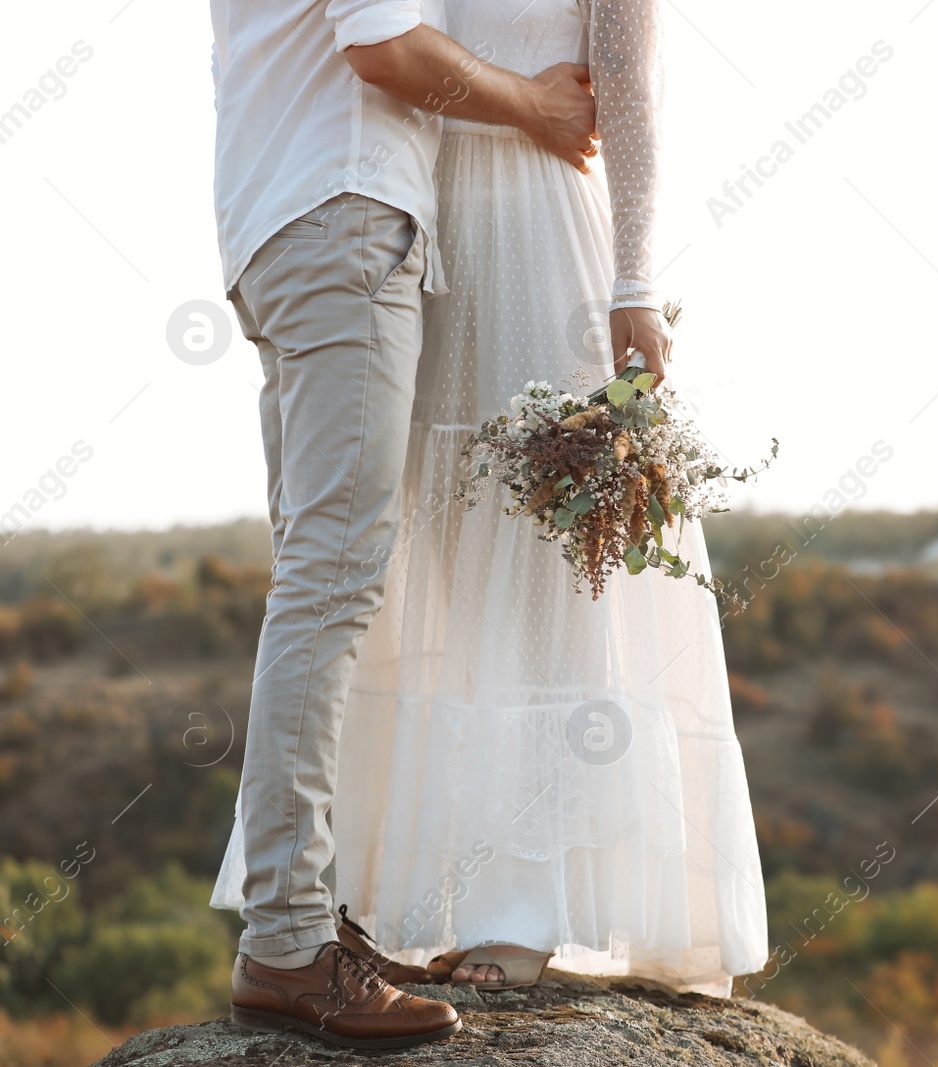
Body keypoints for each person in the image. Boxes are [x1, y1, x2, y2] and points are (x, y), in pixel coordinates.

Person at [213, 0, 769, 1007]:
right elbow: (378, 50)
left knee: (543, 563)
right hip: (408, 213)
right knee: (416, 569)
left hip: (535, 225)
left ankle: (523, 901)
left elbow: (629, 93)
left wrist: (634, 277)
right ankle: (384, 893)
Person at [210, 0, 601, 1048]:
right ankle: (288, 939)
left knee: (313, 572)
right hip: (342, 219)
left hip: (272, 223)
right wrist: (533, 108)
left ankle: (298, 918)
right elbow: (382, 46)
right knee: (332, 583)